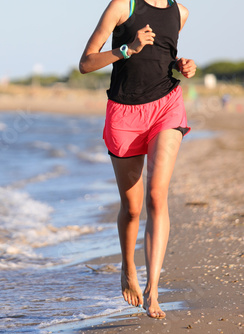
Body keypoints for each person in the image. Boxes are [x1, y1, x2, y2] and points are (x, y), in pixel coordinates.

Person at [79, 0, 197, 319]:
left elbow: (164, 63)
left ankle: (153, 289)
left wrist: (183, 66)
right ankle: (128, 267)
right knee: (132, 208)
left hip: (166, 107)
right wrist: (126, 49)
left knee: (157, 195)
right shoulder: (122, 6)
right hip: (124, 112)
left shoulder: (180, 13)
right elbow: (86, 63)